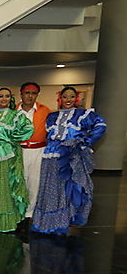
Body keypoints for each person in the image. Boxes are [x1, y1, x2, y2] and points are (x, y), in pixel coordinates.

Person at [31, 86, 106, 235]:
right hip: (50, 155)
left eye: (71, 97)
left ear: (76, 99)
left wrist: (85, 141)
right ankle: (47, 221)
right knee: (50, 187)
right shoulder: (52, 116)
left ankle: (62, 221)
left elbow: (101, 125)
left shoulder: (83, 114)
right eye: (65, 97)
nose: (68, 100)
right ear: (60, 99)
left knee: (69, 188)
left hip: (70, 156)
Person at [0, 88, 34, 232]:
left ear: (11, 98)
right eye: (1, 96)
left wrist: (10, 139)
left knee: (4, 184)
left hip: (6, 153)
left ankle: (4, 220)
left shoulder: (16, 115)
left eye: (6, 96)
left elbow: (29, 129)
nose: (4, 99)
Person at [16, 82, 51, 223]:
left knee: (34, 182)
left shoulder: (45, 110)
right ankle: (18, 211)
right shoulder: (13, 110)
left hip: (38, 151)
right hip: (18, 151)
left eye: (33, 93)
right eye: (27, 93)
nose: (30, 96)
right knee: (18, 181)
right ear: (21, 94)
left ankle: (30, 213)